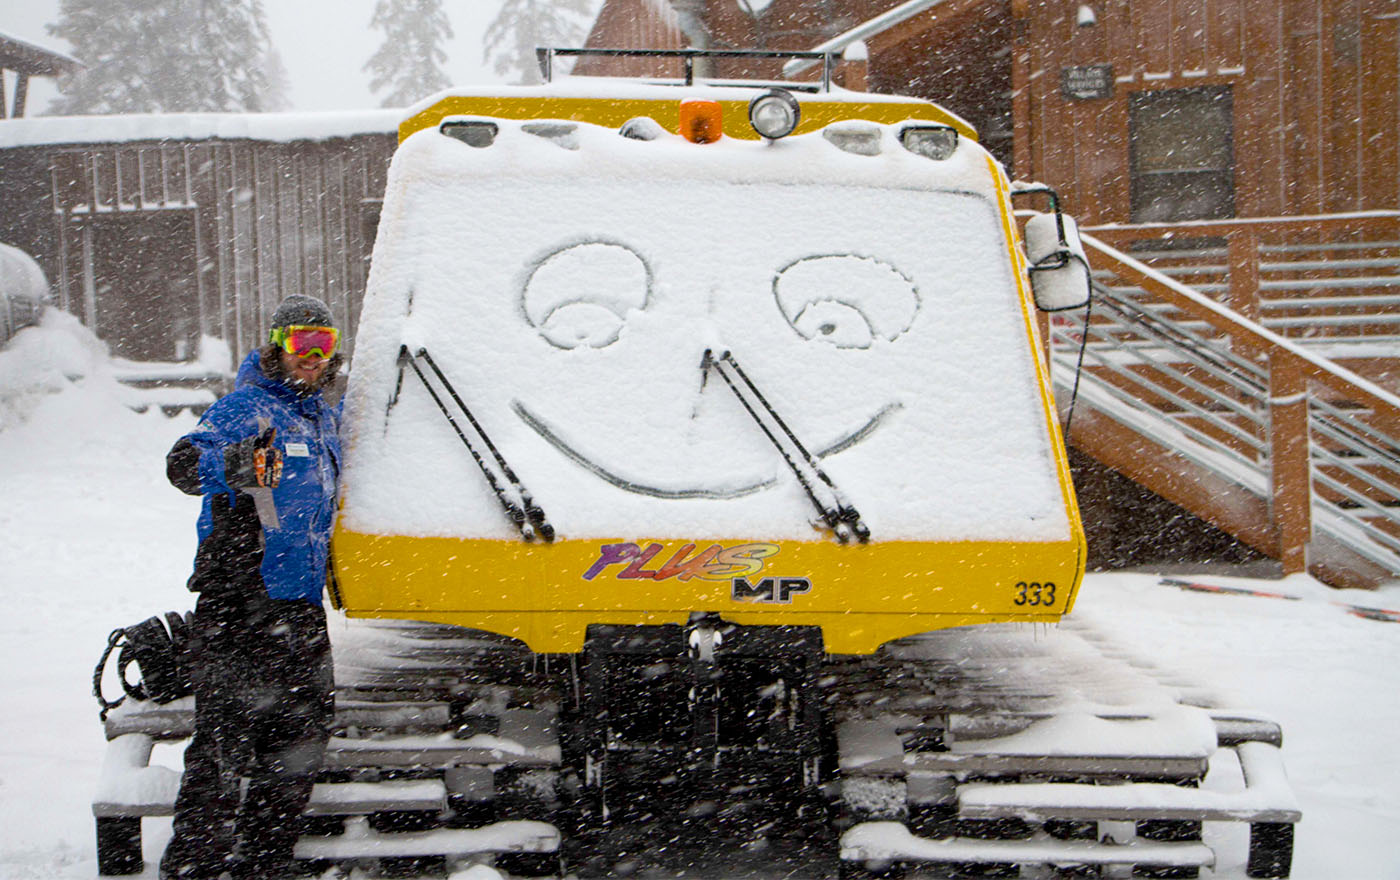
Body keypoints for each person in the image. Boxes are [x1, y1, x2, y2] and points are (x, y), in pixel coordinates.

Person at [160, 295, 345, 880]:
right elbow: (183, 464)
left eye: (324, 344)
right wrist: (237, 463)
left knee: (300, 739)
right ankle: (193, 863)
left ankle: (265, 863)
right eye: (300, 343)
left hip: (299, 605)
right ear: (276, 344)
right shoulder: (247, 408)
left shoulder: (322, 417)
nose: (312, 357)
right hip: (240, 600)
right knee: (224, 742)